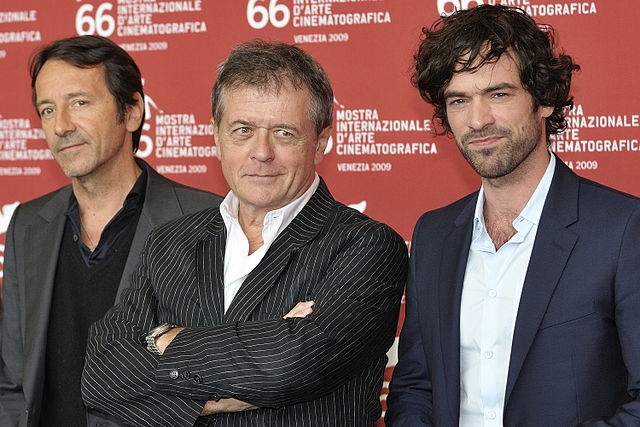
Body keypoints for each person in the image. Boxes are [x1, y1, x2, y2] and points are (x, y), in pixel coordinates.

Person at [81, 40, 407, 426]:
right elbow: (100, 377)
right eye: (242, 130)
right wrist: (216, 393)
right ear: (217, 137)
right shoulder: (168, 243)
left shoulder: (366, 246)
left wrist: (161, 340)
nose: (261, 152)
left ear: (320, 143)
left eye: (284, 133)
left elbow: (287, 367)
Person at [386, 5, 640, 426]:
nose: (478, 119)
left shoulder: (622, 230)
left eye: (498, 94)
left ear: (544, 99)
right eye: (459, 100)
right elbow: (416, 386)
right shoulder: (433, 235)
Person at [0, 35, 222, 427]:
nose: (61, 126)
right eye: (47, 110)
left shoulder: (205, 220)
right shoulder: (28, 225)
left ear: (133, 110)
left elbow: (217, 377)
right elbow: (14, 382)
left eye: (79, 103)